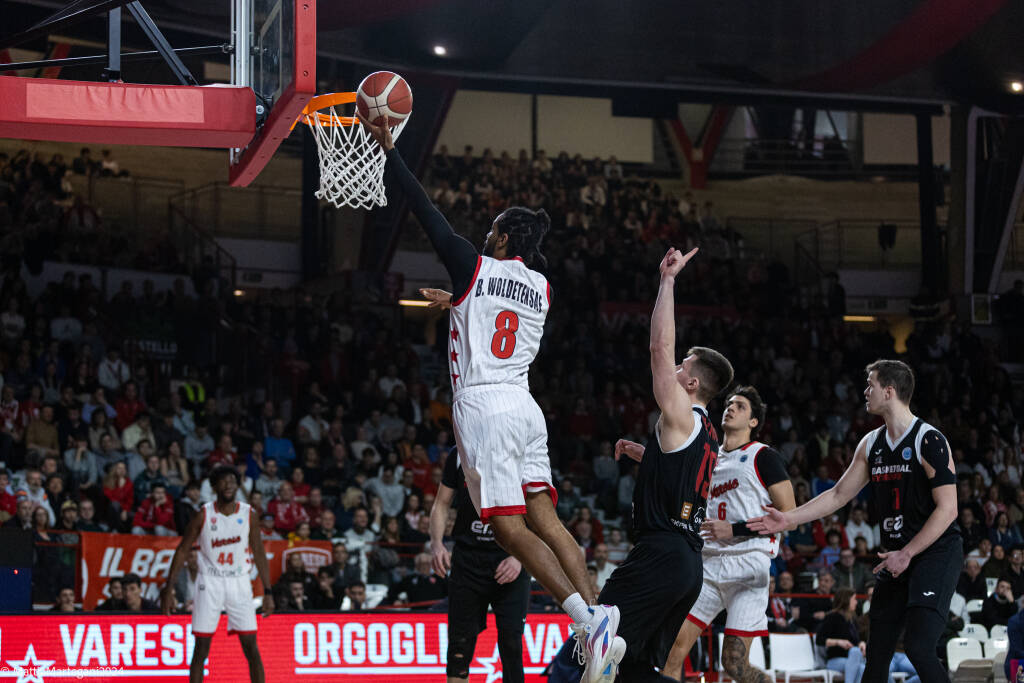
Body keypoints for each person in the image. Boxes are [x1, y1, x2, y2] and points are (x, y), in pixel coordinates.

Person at [360, 112, 618, 681]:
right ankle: (602, 617)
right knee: (547, 520)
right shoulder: (542, 286)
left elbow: (423, 209)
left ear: (502, 237)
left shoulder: (473, 264)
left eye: (492, 229)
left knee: (504, 526)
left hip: (486, 407)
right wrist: (458, 303)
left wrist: (387, 148)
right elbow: (501, 315)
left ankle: (583, 620)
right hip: (526, 407)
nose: (484, 234)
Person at [548, 247, 734, 683]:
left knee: (582, 651)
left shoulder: (682, 415)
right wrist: (647, 456)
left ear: (690, 383)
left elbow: (657, 346)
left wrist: (667, 281)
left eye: (681, 366)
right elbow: (682, 473)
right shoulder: (707, 434)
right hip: (688, 566)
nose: (672, 367)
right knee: (629, 669)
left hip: (660, 555)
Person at [751, 360, 961, 683]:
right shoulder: (871, 443)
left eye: (870, 385)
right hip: (893, 559)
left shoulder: (929, 440)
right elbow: (837, 496)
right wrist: (787, 519)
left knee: (919, 648)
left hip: (934, 553)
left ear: (889, 391)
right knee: (875, 659)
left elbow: (948, 510)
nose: (865, 391)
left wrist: (907, 553)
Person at [665, 385, 794, 683]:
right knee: (674, 649)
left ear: (753, 422)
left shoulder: (763, 456)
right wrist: (644, 456)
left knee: (734, 664)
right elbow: (676, 471)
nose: (730, 408)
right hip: (709, 563)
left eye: (740, 406)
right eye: (729, 403)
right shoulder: (708, 456)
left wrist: (733, 529)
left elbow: (789, 517)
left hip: (749, 564)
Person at [160, 466, 273, 683]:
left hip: (239, 581)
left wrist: (268, 591)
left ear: (238, 485)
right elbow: (183, 549)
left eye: (232, 480)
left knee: (251, 646)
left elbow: (258, 551)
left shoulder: (248, 514)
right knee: (201, 648)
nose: (228, 485)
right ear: (214, 486)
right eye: (223, 481)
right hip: (209, 581)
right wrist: (169, 588)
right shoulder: (204, 514)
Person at [430, 446, 529, 683]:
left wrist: (520, 557)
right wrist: (436, 544)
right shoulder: (459, 452)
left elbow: (541, 513)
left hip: (511, 559)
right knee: (459, 649)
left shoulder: (522, 453)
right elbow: (442, 503)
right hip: (467, 560)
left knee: (512, 644)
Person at [816, 588, 867, 683]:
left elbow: (856, 641)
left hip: (852, 659)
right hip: (835, 660)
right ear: (846, 600)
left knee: (861, 667)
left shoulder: (853, 619)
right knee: (857, 658)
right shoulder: (832, 617)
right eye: (854, 599)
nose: (856, 602)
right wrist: (838, 642)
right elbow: (819, 640)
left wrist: (861, 643)